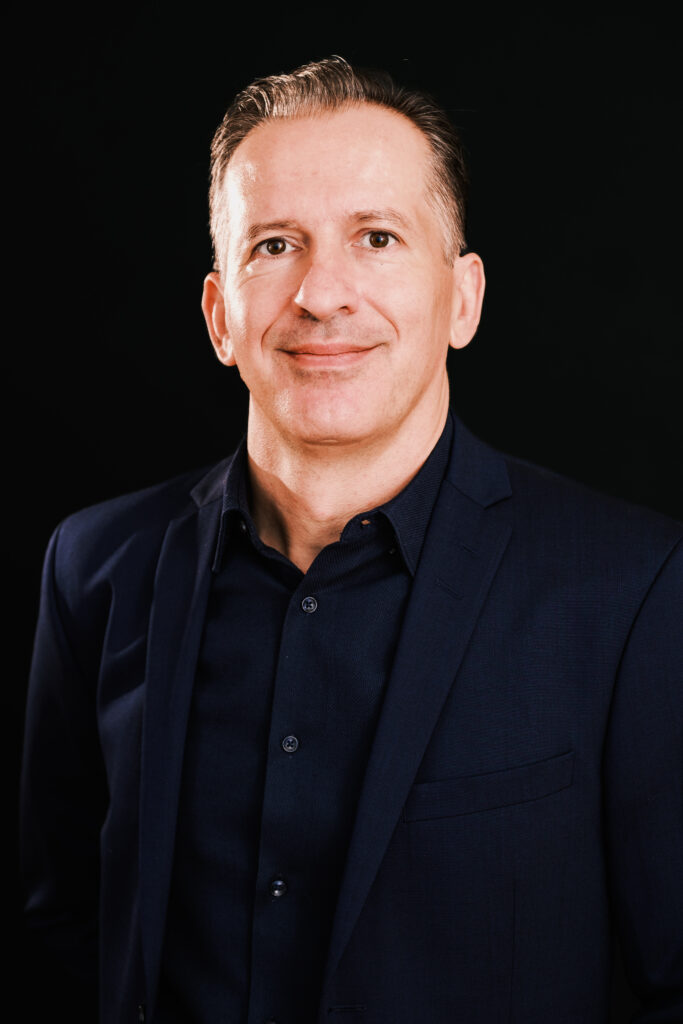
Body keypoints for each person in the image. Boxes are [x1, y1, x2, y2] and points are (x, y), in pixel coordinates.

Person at [21, 56, 682, 1024]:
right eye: (275, 244)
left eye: (376, 237)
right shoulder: (94, 570)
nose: (322, 294)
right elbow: (59, 935)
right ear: (219, 315)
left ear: (462, 299)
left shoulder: (630, 589)